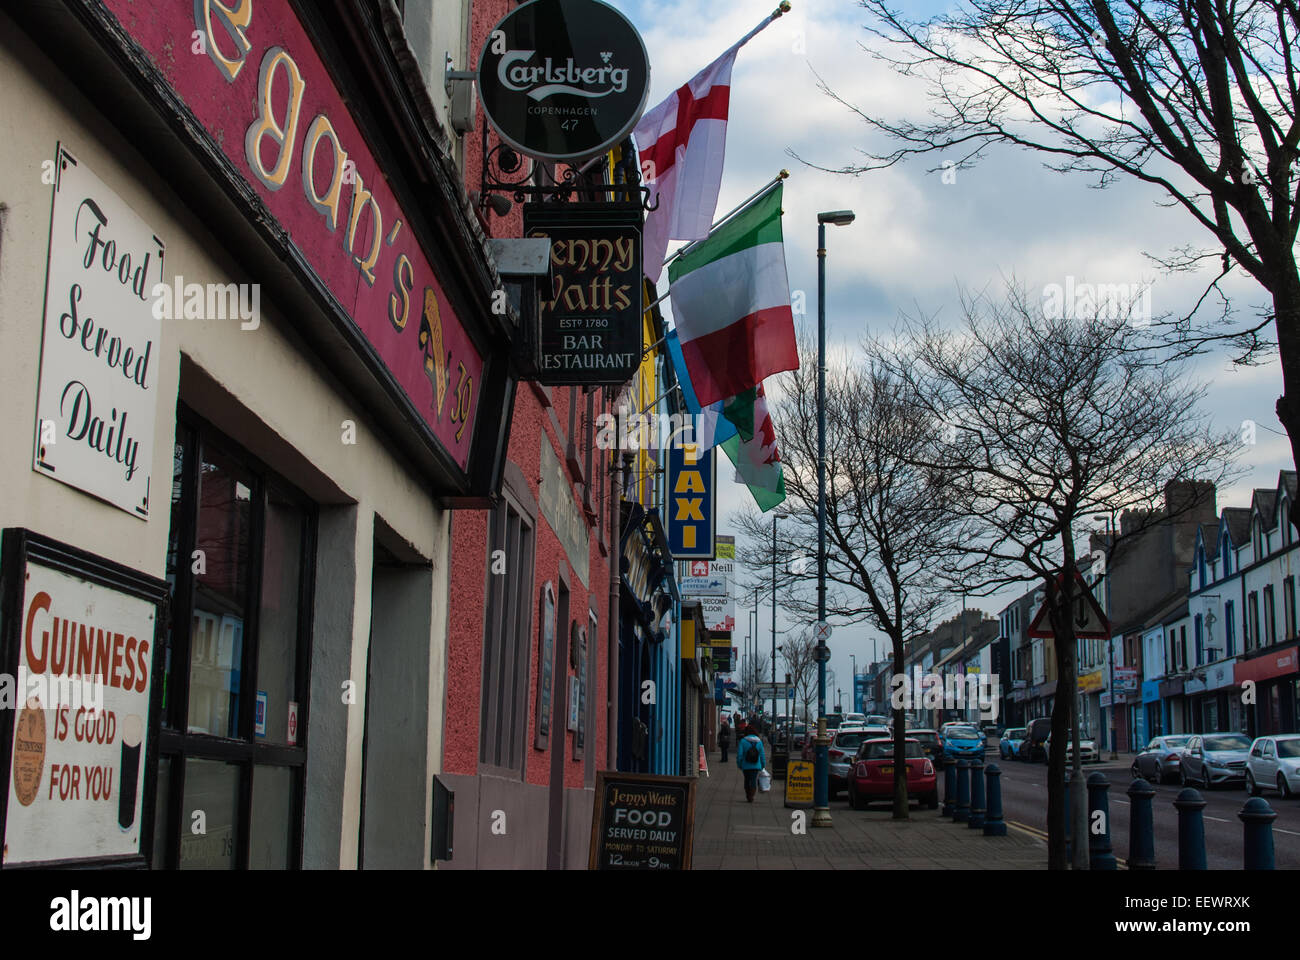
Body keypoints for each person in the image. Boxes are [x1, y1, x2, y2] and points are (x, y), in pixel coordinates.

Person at [736, 724, 766, 803]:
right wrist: (763, 764)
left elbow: (740, 754)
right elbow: (762, 755)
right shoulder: (759, 742)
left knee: (746, 780)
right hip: (756, 765)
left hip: (745, 765)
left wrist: (739, 764)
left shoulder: (743, 741)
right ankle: (751, 796)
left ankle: (748, 794)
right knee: (753, 780)